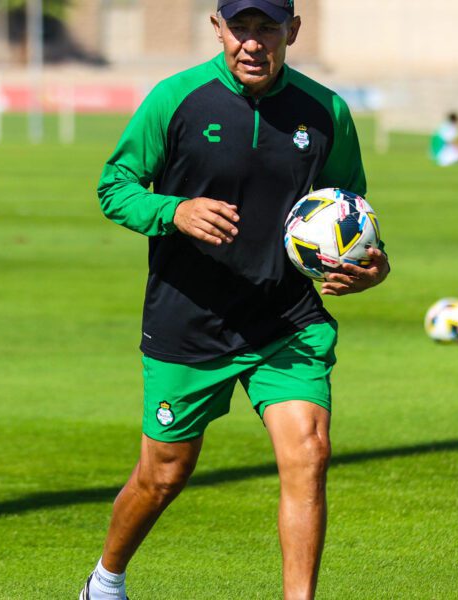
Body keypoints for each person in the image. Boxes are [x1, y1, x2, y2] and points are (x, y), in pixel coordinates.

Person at [83, 1, 389, 598]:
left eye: (267, 28)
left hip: (286, 320)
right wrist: (176, 211)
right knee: (163, 475)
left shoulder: (327, 112)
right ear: (217, 28)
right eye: (240, 27)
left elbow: (351, 214)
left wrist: (372, 268)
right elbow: (113, 188)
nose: (253, 43)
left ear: (291, 32)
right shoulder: (176, 99)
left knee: (309, 453)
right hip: (190, 318)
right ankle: (106, 579)